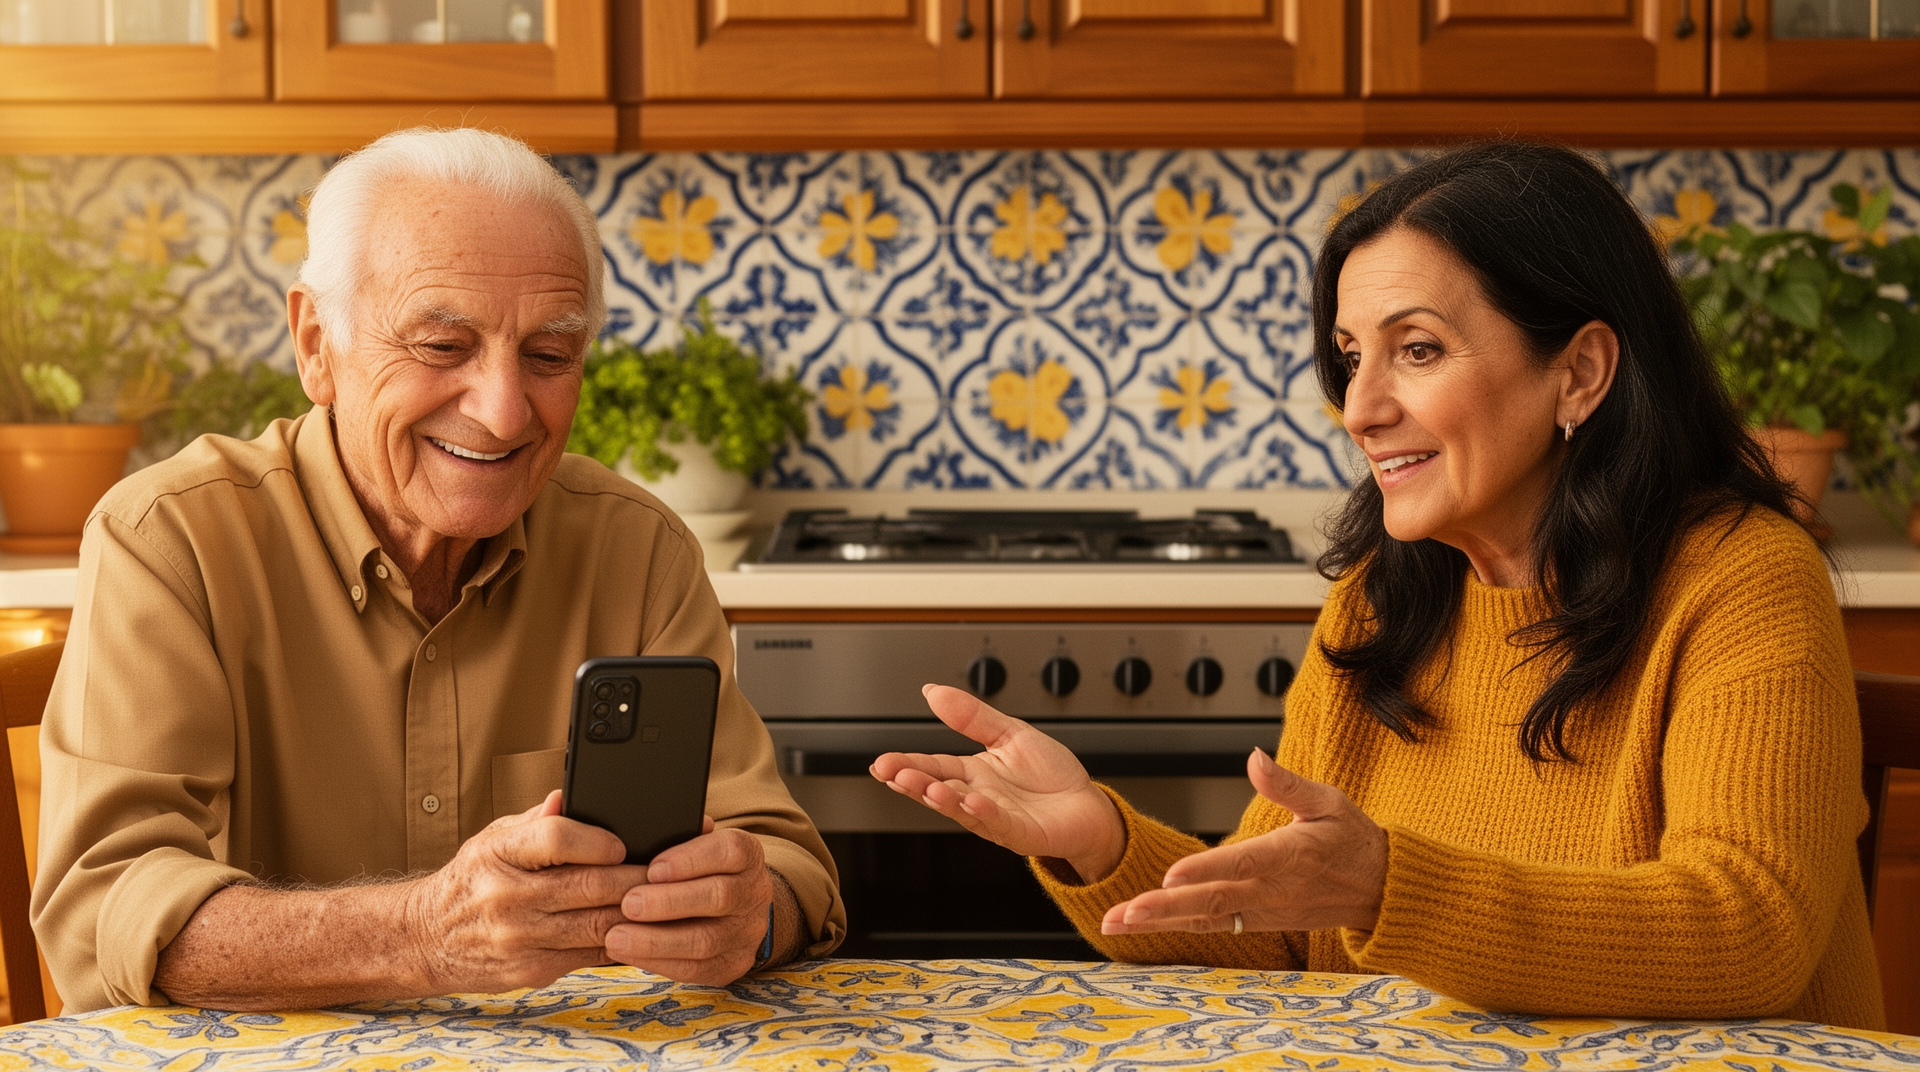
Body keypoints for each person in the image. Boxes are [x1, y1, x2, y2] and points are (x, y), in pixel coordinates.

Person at [872, 142, 1883, 1030]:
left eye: (1418, 350)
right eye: (1353, 358)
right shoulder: (1382, 602)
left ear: (1579, 373)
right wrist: (1103, 839)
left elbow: (1751, 927)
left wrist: (1393, 887)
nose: (1360, 407)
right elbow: (1280, 936)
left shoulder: (1744, 578)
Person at [33, 127, 844, 1013]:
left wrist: (750, 915)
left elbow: (787, 859)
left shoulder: (638, 548)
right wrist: (424, 934)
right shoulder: (170, 538)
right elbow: (100, 908)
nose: (501, 413)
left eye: (548, 355)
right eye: (440, 346)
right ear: (316, 346)